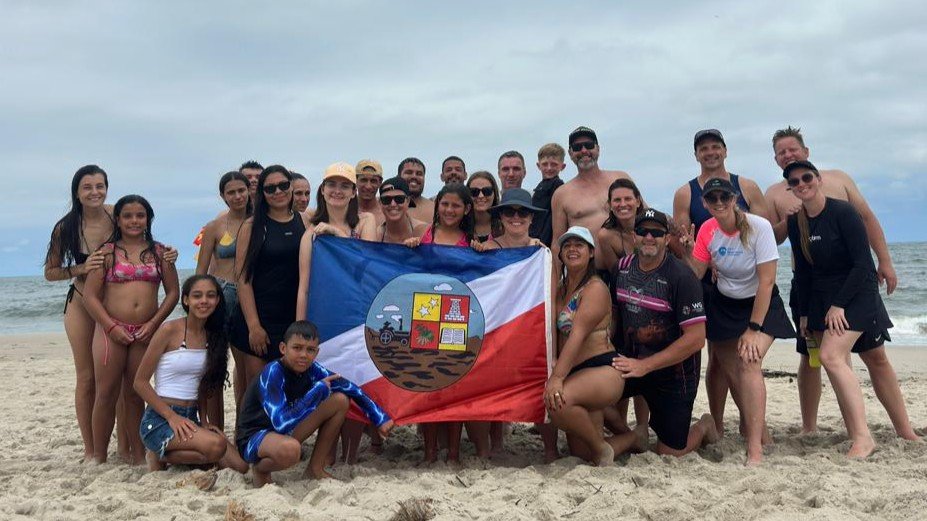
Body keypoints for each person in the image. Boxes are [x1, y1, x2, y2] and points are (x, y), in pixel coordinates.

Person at [764, 126, 900, 434]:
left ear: (806, 152)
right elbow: (771, 239)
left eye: (793, 149)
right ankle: (810, 428)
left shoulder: (838, 178)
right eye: (782, 152)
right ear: (775, 159)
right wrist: (788, 217)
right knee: (812, 358)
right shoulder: (774, 193)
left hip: (854, 280)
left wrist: (886, 261)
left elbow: (867, 218)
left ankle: (901, 429)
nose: (788, 155)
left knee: (874, 355)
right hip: (810, 283)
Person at [785, 160, 916, 457]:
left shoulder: (843, 212)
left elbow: (862, 264)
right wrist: (805, 312)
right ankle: (856, 433)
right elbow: (804, 271)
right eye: (795, 182)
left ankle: (869, 437)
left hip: (856, 291)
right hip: (820, 296)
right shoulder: (796, 221)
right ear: (790, 188)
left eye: (807, 177)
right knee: (833, 361)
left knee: (833, 355)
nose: (802, 184)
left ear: (818, 179)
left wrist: (839, 305)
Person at [683, 179, 795, 464]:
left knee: (749, 361)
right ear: (705, 203)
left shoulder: (759, 227)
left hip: (761, 303)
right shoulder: (707, 229)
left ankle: (755, 447)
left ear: (734, 199)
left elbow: (768, 282)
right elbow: (695, 273)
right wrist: (686, 251)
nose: (719, 202)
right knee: (729, 367)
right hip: (724, 303)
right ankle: (758, 430)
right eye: (712, 198)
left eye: (724, 196)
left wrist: (753, 329)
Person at [672, 129, 769, 436]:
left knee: (739, 355)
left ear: (725, 150)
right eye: (704, 148)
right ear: (696, 155)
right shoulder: (685, 193)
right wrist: (697, 251)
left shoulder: (747, 186)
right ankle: (719, 421)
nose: (710, 152)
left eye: (715, 147)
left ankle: (750, 421)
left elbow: (767, 234)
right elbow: (680, 241)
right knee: (716, 354)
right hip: (707, 279)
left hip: (746, 279)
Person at [608, 209, 720, 457]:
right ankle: (634, 435)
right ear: (634, 237)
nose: (649, 237)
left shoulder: (681, 277)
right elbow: (614, 317)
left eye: (656, 232)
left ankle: (704, 426)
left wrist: (646, 366)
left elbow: (695, 339)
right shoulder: (621, 269)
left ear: (667, 239)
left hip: (674, 372)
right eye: (642, 231)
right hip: (631, 362)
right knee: (591, 396)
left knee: (669, 452)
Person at [82, 195, 180, 464]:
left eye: (140, 215)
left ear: (148, 218)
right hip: (110, 330)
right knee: (106, 392)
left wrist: (153, 324)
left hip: (144, 331)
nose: (134, 221)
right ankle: (99, 456)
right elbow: (90, 296)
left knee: (136, 393)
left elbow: (173, 293)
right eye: (128, 216)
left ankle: (138, 455)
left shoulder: (161, 253)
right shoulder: (107, 252)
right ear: (118, 219)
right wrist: (111, 326)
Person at [236, 320, 394, 485]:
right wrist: (315, 393)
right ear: (283, 348)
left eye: (310, 350)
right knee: (291, 451)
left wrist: (380, 417)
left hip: (283, 433)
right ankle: (261, 469)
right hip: (254, 438)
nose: (304, 355)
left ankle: (315, 468)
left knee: (340, 400)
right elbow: (281, 423)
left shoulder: (312, 369)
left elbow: (349, 387)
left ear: (316, 352)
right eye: (297, 348)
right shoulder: (273, 372)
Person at [133, 275, 248, 473]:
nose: (204, 301)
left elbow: (202, 384)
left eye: (210, 296)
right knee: (216, 448)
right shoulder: (169, 330)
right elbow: (140, 382)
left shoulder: (215, 336)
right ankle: (156, 452)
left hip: (191, 417)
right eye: (197, 296)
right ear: (186, 300)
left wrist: (204, 420)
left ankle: (167, 454)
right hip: (161, 418)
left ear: (218, 300)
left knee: (241, 466)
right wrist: (171, 417)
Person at [471, 188, 546, 459]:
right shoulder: (487, 250)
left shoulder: (540, 252)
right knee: (487, 383)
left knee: (523, 383)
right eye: (509, 212)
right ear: (500, 216)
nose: (516, 217)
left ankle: (518, 444)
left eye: (522, 212)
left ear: (531, 218)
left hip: (524, 328)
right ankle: (488, 446)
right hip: (492, 326)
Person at [404, 183, 475, 462]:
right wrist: (411, 246)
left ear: (466, 209)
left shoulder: (470, 240)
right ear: (438, 206)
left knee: (454, 383)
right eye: (445, 204)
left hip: (457, 315)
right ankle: (430, 450)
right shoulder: (425, 233)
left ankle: (455, 451)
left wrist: (480, 251)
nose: (449, 210)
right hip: (425, 312)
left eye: (456, 205)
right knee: (429, 382)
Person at [545, 226, 625, 466]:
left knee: (558, 403)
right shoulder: (560, 290)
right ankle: (633, 438)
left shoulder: (595, 288)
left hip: (602, 370)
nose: (572, 249)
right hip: (576, 373)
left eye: (579, 245)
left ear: (591, 253)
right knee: (581, 454)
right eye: (567, 245)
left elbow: (577, 335)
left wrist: (557, 378)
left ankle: (602, 449)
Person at [231, 166, 311, 393]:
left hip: (291, 319)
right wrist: (254, 326)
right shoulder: (251, 226)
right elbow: (243, 280)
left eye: (283, 185)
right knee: (257, 390)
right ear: (261, 193)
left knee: (290, 388)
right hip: (259, 319)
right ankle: (247, 430)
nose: (278, 191)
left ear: (291, 186)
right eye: (270, 188)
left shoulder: (305, 221)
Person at [195, 171, 251, 428]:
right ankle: (213, 428)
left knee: (246, 369)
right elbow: (201, 271)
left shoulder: (258, 221)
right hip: (220, 297)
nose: (237, 196)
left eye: (241, 190)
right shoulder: (215, 227)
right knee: (214, 367)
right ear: (223, 196)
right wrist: (198, 306)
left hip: (249, 297)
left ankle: (243, 429)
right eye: (231, 192)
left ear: (249, 190)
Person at [551, 126, 635, 271]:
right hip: (589, 275)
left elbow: (645, 214)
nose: (584, 151)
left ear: (598, 149)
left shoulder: (620, 178)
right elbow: (557, 243)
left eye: (589, 145)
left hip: (630, 270)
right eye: (577, 147)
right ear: (571, 154)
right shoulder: (562, 194)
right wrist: (556, 285)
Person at [529, 143, 566, 247]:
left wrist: (544, 241)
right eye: (545, 164)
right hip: (534, 236)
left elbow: (552, 217)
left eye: (554, 164)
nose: (549, 168)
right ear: (538, 165)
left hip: (545, 240)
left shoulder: (558, 185)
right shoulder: (539, 186)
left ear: (562, 167)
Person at [376, 176, 429, 244]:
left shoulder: (425, 231)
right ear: (380, 203)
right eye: (386, 200)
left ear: (408, 201)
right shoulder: (375, 236)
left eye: (399, 199)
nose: (393, 204)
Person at [466, 171, 502, 243]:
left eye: (487, 191)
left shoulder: (505, 226)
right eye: (474, 192)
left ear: (494, 194)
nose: (481, 196)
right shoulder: (459, 226)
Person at [398, 157, 435, 223]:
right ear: (398, 177)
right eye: (409, 172)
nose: (414, 176)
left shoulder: (435, 209)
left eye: (419, 174)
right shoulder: (387, 207)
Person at [355, 160, 383, 224]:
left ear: (380, 182)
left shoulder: (387, 212)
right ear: (355, 180)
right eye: (364, 180)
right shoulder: (344, 209)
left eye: (373, 181)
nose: (368, 186)